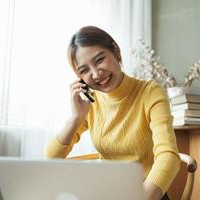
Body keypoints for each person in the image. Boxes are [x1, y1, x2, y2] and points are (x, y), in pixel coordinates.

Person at [45, 26, 180, 200]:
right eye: (84, 70)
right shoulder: (91, 102)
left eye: (99, 60)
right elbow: (51, 157)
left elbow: (168, 155)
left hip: (147, 194)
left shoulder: (150, 92)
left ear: (115, 50)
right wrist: (76, 118)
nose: (95, 74)